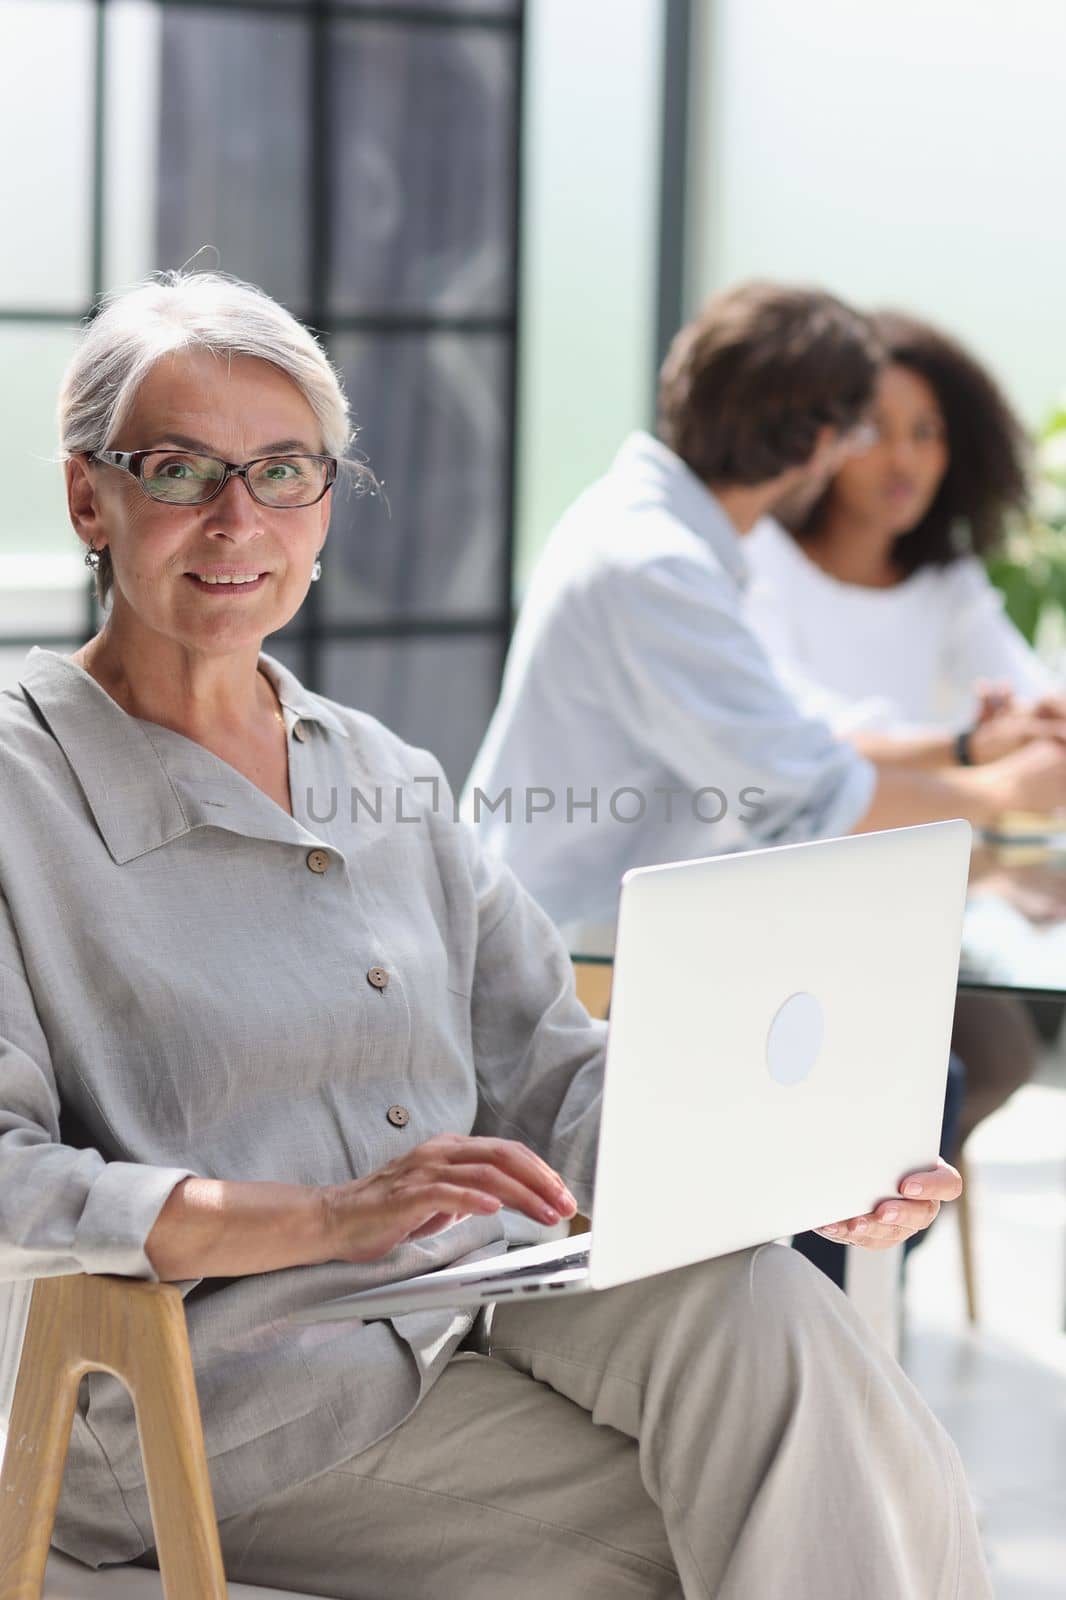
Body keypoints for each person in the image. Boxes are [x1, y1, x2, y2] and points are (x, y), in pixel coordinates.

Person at [0, 270, 989, 1598]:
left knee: (771, 1315)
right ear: (89, 498)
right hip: (233, 1384)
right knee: (753, 1531)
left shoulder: (385, 774)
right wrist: (320, 1218)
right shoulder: (21, 791)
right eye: (181, 468)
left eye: (285, 471)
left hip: (482, 1295)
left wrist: (802, 1169)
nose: (239, 516)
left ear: (324, 509)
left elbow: (554, 1071)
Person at [463, 283, 1066, 957]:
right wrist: (1000, 789)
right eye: (867, 430)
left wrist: (963, 750)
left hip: (610, 939)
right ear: (822, 444)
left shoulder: (656, 537)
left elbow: (797, 740)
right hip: (565, 965)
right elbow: (805, 798)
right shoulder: (657, 568)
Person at [744, 309, 1066, 1157]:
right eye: (875, 430)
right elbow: (797, 737)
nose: (905, 458)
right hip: (780, 896)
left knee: (990, 1051)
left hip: (911, 900)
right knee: (955, 1055)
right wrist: (974, 748)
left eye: (926, 432)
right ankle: (846, 1258)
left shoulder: (950, 581)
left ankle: (879, 1260)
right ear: (820, 442)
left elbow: (1032, 703)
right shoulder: (762, 565)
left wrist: (1034, 727)